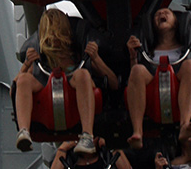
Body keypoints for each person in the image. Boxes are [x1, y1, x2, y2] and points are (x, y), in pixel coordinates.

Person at [13, 8, 118, 153]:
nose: (54, 38)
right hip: (47, 102)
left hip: (75, 96)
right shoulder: (38, 63)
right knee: (24, 79)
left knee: (82, 75)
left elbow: (114, 83)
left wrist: (96, 59)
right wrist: (26, 65)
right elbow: (15, 89)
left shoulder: (80, 57)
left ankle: (87, 135)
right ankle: (24, 131)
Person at [126, 7, 191, 150]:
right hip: (153, 84)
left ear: (175, 23)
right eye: (157, 14)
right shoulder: (149, 52)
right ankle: (137, 132)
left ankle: (184, 125)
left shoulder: (185, 50)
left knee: (190, 65)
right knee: (137, 69)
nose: (161, 14)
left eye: (167, 12)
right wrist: (133, 56)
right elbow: (135, 79)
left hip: (179, 84)